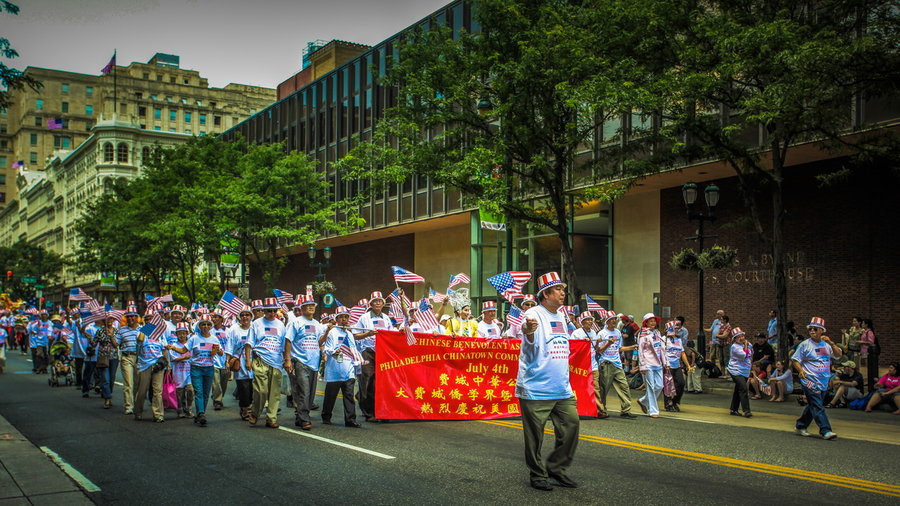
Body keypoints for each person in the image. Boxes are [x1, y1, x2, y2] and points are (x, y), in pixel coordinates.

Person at [518, 272, 580, 491]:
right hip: (536, 388)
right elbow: (526, 331)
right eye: (558, 289)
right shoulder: (533, 313)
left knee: (571, 425)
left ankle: (557, 468)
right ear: (546, 294)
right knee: (535, 436)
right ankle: (537, 474)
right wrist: (529, 330)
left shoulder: (561, 316)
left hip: (562, 388)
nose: (563, 293)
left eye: (563, 289)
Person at [244, 297, 292, 428]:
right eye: (269, 310)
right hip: (260, 360)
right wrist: (248, 361)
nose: (271, 313)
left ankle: (271, 418)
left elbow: (284, 344)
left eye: (274, 311)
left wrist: (287, 360)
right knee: (261, 390)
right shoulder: (257, 324)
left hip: (276, 362)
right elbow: (248, 344)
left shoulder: (280, 325)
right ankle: (255, 414)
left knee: (274, 393)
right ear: (264, 311)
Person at [792, 317, 842, 439]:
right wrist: (801, 370)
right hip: (809, 379)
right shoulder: (805, 345)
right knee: (817, 405)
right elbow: (795, 360)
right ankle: (826, 430)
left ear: (822, 331)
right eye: (810, 329)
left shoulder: (826, 344)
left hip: (823, 380)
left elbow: (838, 355)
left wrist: (831, 343)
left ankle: (800, 425)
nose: (812, 331)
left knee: (813, 404)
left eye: (815, 329)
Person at [170, 314, 223, 426]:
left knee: (206, 393)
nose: (205, 326)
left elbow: (221, 353)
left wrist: (218, 351)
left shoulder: (214, 338)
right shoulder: (194, 338)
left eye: (208, 324)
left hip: (209, 368)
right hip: (196, 368)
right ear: (199, 326)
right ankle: (201, 413)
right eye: (203, 324)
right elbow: (183, 350)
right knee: (198, 391)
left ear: (210, 326)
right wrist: (173, 348)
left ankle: (200, 413)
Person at [285, 295, 329, 430]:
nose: (310, 308)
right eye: (307, 306)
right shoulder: (296, 322)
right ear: (302, 308)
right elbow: (288, 340)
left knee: (310, 392)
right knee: (304, 390)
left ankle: (300, 417)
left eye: (312, 306)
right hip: (299, 360)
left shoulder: (317, 324)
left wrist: (327, 331)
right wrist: (287, 359)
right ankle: (304, 418)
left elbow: (319, 342)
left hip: (313, 362)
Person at [354, 292, 392, 422]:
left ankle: (380, 410)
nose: (377, 303)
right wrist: (368, 334)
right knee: (367, 380)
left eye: (380, 301)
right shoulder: (364, 318)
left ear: (383, 304)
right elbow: (355, 335)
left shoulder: (386, 318)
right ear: (370, 304)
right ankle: (368, 412)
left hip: (382, 353)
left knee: (380, 382)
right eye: (375, 301)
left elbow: (391, 334)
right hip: (367, 352)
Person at [321, 306, 361, 428]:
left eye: (346, 317)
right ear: (336, 319)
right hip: (334, 369)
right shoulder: (332, 332)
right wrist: (333, 352)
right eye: (341, 317)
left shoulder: (349, 334)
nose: (344, 319)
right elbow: (326, 347)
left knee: (349, 395)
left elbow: (354, 350)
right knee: (331, 395)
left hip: (348, 369)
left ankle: (350, 420)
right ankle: (326, 416)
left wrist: (356, 364)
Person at [596, 310, 637, 419]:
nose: (613, 321)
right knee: (604, 388)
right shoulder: (601, 333)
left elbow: (619, 349)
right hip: (606, 363)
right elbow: (599, 350)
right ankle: (601, 409)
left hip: (617, 364)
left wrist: (631, 347)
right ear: (607, 321)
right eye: (611, 319)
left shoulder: (618, 333)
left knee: (624, 387)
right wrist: (609, 343)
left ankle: (626, 410)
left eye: (615, 319)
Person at [133, 316, 168, 423]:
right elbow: (140, 340)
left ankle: (158, 415)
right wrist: (147, 327)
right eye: (147, 320)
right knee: (142, 391)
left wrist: (168, 365)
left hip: (158, 365)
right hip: (144, 365)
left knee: (157, 391)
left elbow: (164, 349)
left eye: (151, 320)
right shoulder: (140, 332)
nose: (150, 322)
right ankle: (138, 412)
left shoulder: (160, 334)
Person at [571, 311, 605, 418]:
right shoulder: (577, 333)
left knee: (595, 387)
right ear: (582, 322)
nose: (590, 322)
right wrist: (582, 343)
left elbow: (597, 349)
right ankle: (579, 408)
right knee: (580, 388)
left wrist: (599, 342)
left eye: (591, 320)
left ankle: (599, 410)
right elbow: (573, 348)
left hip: (593, 365)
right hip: (581, 365)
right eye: (588, 320)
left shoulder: (594, 333)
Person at [226, 306, 254, 421]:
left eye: (247, 315)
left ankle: (251, 408)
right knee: (243, 387)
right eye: (242, 315)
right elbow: (230, 346)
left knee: (253, 387)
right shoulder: (234, 329)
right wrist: (227, 361)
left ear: (251, 317)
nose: (245, 317)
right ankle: (244, 409)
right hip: (240, 363)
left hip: (254, 362)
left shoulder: (255, 328)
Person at [637, 313, 665, 418]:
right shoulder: (643, 334)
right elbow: (640, 351)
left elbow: (662, 348)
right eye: (650, 321)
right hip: (647, 364)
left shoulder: (657, 333)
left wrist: (665, 362)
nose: (653, 323)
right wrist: (642, 366)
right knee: (651, 387)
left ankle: (643, 401)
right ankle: (653, 410)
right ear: (646, 323)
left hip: (658, 363)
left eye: (654, 321)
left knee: (659, 386)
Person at [115, 306, 141, 415]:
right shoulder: (121, 330)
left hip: (140, 358)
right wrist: (111, 336)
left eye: (133, 316)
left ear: (137, 318)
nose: (130, 318)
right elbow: (116, 344)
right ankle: (129, 406)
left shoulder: (143, 328)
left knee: (138, 384)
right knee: (128, 383)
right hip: (127, 357)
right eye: (128, 317)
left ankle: (137, 404)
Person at [663, 320, 691, 412]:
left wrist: (688, 366)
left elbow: (682, 353)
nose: (677, 330)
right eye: (675, 329)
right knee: (668, 385)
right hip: (667, 365)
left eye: (677, 329)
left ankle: (675, 401)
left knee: (681, 383)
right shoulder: (664, 339)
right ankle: (668, 404)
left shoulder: (678, 340)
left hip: (677, 365)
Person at [169, 323, 194, 419]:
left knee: (191, 390)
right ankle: (179, 409)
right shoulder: (174, 345)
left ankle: (189, 408)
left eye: (184, 333)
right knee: (179, 392)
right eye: (179, 333)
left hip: (189, 371)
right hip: (179, 372)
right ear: (176, 334)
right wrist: (184, 358)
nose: (182, 335)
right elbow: (173, 359)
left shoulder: (190, 344)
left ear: (187, 333)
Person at [727, 327, 752, 417]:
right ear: (735, 339)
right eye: (738, 337)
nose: (741, 338)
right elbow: (744, 355)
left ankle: (733, 409)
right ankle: (746, 411)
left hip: (745, 371)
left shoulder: (749, 345)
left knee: (738, 390)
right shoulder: (734, 347)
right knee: (743, 389)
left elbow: (750, 355)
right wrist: (746, 345)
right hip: (735, 370)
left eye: (742, 336)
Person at [210, 309, 231, 411]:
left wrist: (228, 360)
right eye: (213, 317)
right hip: (214, 360)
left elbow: (230, 346)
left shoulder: (228, 331)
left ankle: (218, 396)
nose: (214, 319)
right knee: (216, 381)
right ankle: (217, 401)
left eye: (217, 317)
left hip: (225, 360)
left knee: (224, 382)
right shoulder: (210, 331)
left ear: (222, 319)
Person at [705, 309, 725, 374]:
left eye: (718, 314)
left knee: (720, 358)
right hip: (713, 342)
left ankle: (722, 372)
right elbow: (711, 329)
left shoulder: (724, 321)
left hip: (719, 342)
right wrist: (703, 329)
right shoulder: (715, 321)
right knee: (712, 356)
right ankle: (713, 370)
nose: (717, 315)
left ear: (722, 314)